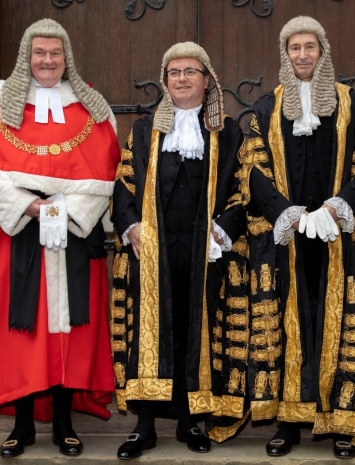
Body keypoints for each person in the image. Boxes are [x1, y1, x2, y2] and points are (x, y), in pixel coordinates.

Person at [240, 16, 355, 459]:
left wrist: (338, 207)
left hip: (339, 237)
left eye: (309, 47)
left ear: (322, 51)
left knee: (341, 328)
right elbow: (253, 172)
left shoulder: (349, 103)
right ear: (286, 53)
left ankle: (345, 423)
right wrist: (288, 214)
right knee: (286, 328)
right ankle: (289, 425)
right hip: (288, 240)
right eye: (294, 47)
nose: (302, 54)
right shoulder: (265, 109)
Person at [0, 18, 119, 458]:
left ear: (67, 59)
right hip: (16, 233)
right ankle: (21, 426)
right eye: (39, 53)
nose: (47, 61)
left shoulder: (90, 108)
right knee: (20, 332)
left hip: (75, 237)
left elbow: (105, 174)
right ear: (27, 57)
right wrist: (31, 208)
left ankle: (64, 424)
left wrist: (61, 211)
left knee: (69, 332)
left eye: (55, 54)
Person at [110, 42, 249, 459]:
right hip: (152, 250)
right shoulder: (143, 128)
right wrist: (130, 226)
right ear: (165, 80)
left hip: (204, 251)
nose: (182, 79)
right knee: (151, 330)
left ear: (207, 82)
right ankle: (144, 426)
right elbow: (124, 184)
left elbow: (242, 188)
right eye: (174, 73)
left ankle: (191, 423)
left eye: (191, 72)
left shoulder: (228, 131)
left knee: (195, 329)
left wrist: (222, 230)